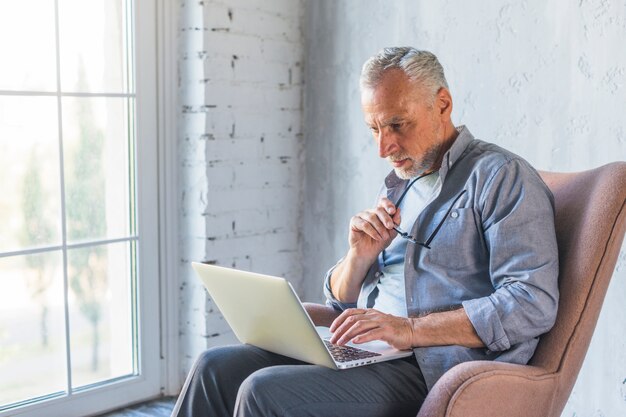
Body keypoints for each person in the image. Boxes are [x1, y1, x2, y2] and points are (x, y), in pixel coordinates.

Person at [171, 47, 559, 417]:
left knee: (262, 390)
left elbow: (531, 302)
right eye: (373, 128)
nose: (383, 147)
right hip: (368, 348)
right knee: (213, 368)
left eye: (397, 124)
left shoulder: (500, 177)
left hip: (429, 366)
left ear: (442, 103)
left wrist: (407, 330)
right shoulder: (400, 183)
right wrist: (358, 257)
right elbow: (342, 302)